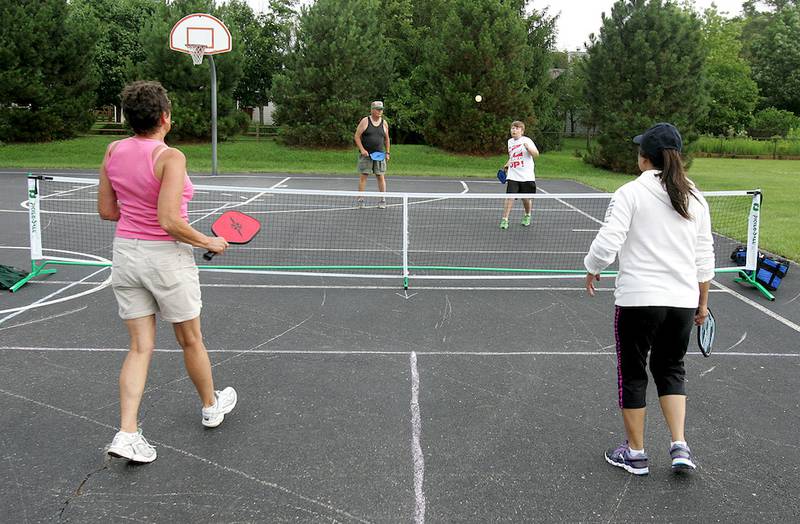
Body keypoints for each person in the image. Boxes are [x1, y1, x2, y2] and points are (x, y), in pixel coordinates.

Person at [97, 80, 237, 464]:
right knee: (190, 339)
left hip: (126, 254)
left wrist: (139, 211)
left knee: (140, 346)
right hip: (166, 258)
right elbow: (170, 221)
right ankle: (211, 406)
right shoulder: (170, 158)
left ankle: (128, 433)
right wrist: (209, 241)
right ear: (164, 117)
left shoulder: (112, 150)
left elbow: (108, 211)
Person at [583, 123, 714, 475]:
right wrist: (702, 303)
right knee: (672, 368)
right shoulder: (696, 197)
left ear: (645, 158)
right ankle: (679, 446)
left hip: (640, 300)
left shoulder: (630, 193)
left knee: (633, 372)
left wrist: (592, 267)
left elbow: (609, 241)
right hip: (683, 302)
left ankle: (636, 452)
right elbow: (705, 257)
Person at [500, 121, 539, 230]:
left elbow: (536, 154)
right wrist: (507, 165)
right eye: (512, 128)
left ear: (522, 131)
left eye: (517, 128)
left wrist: (528, 148)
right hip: (513, 175)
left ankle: (527, 215)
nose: (514, 130)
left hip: (526, 176)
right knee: (509, 197)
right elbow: (513, 156)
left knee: (525, 199)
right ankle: (505, 219)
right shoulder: (510, 142)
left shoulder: (527, 141)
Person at [354, 100, 390, 208]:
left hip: (379, 155)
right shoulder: (365, 121)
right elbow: (356, 136)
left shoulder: (384, 123)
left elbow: (387, 139)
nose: (380, 112)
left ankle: (382, 200)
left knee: (380, 176)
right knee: (363, 176)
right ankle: (360, 200)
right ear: (372, 110)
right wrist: (362, 149)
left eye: (381, 110)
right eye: (378, 110)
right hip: (367, 155)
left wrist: (387, 152)